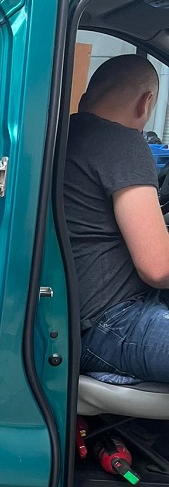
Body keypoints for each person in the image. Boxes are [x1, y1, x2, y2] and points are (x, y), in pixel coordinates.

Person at [66, 55, 169, 381]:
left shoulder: (61, 136)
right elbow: (158, 268)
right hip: (113, 323)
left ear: (85, 98)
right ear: (145, 103)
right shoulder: (122, 142)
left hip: (72, 324)